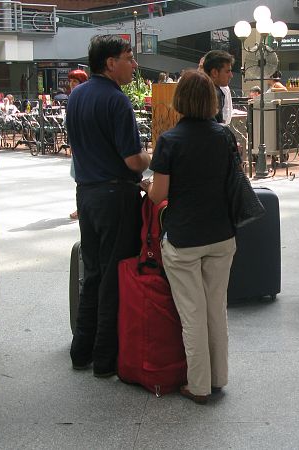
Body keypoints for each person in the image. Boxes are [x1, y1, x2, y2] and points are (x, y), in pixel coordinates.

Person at [146, 70, 236, 405]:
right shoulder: (224, 137)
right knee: (216, 308)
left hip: (184, 239)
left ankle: (197, 385)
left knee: (192, 313)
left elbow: (159, 196)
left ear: (180, 99)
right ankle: (218, 377)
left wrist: (146, 186)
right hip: (222, 235)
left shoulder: (170, 140)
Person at [66, 35, 150, 378]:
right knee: (115, 275)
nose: (133, 65)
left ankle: (81, 351)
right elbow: (133, 160)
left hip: (86, 194)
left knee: (94, 271)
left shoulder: (77, 96)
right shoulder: (117, 101)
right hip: (116, 196)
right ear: (110, 63)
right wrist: (152, 156)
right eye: (128, 58)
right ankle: (105, 358)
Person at [67, 69, 89, 221]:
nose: (71, 84)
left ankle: (81, 208)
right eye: (71, 81)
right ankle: (81, 207)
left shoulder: (82, 98)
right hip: (78, 145)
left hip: (84, 145)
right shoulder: (73, 98)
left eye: (75, 81)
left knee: (82, 178)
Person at [201, 50, 235, 124]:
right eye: (227, 71)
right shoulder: (212, 92)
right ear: (214, 72)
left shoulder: (202, 88)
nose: (231, 76)